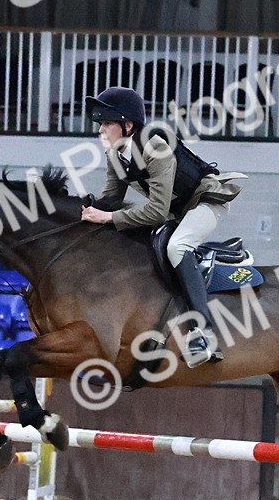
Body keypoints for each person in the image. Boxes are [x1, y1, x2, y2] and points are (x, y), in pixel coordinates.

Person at [81, 86, 244, 367]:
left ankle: (203, 333)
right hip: (176, 210)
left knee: (177, 246)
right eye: (100, 124)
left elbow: (155, 211)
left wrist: (107, 218)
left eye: (107, 123)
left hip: (206, 202)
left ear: (127, 125)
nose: (101, 131)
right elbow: (111, 200)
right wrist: (80, 210)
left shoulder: (155, 148)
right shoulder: (116, 156)